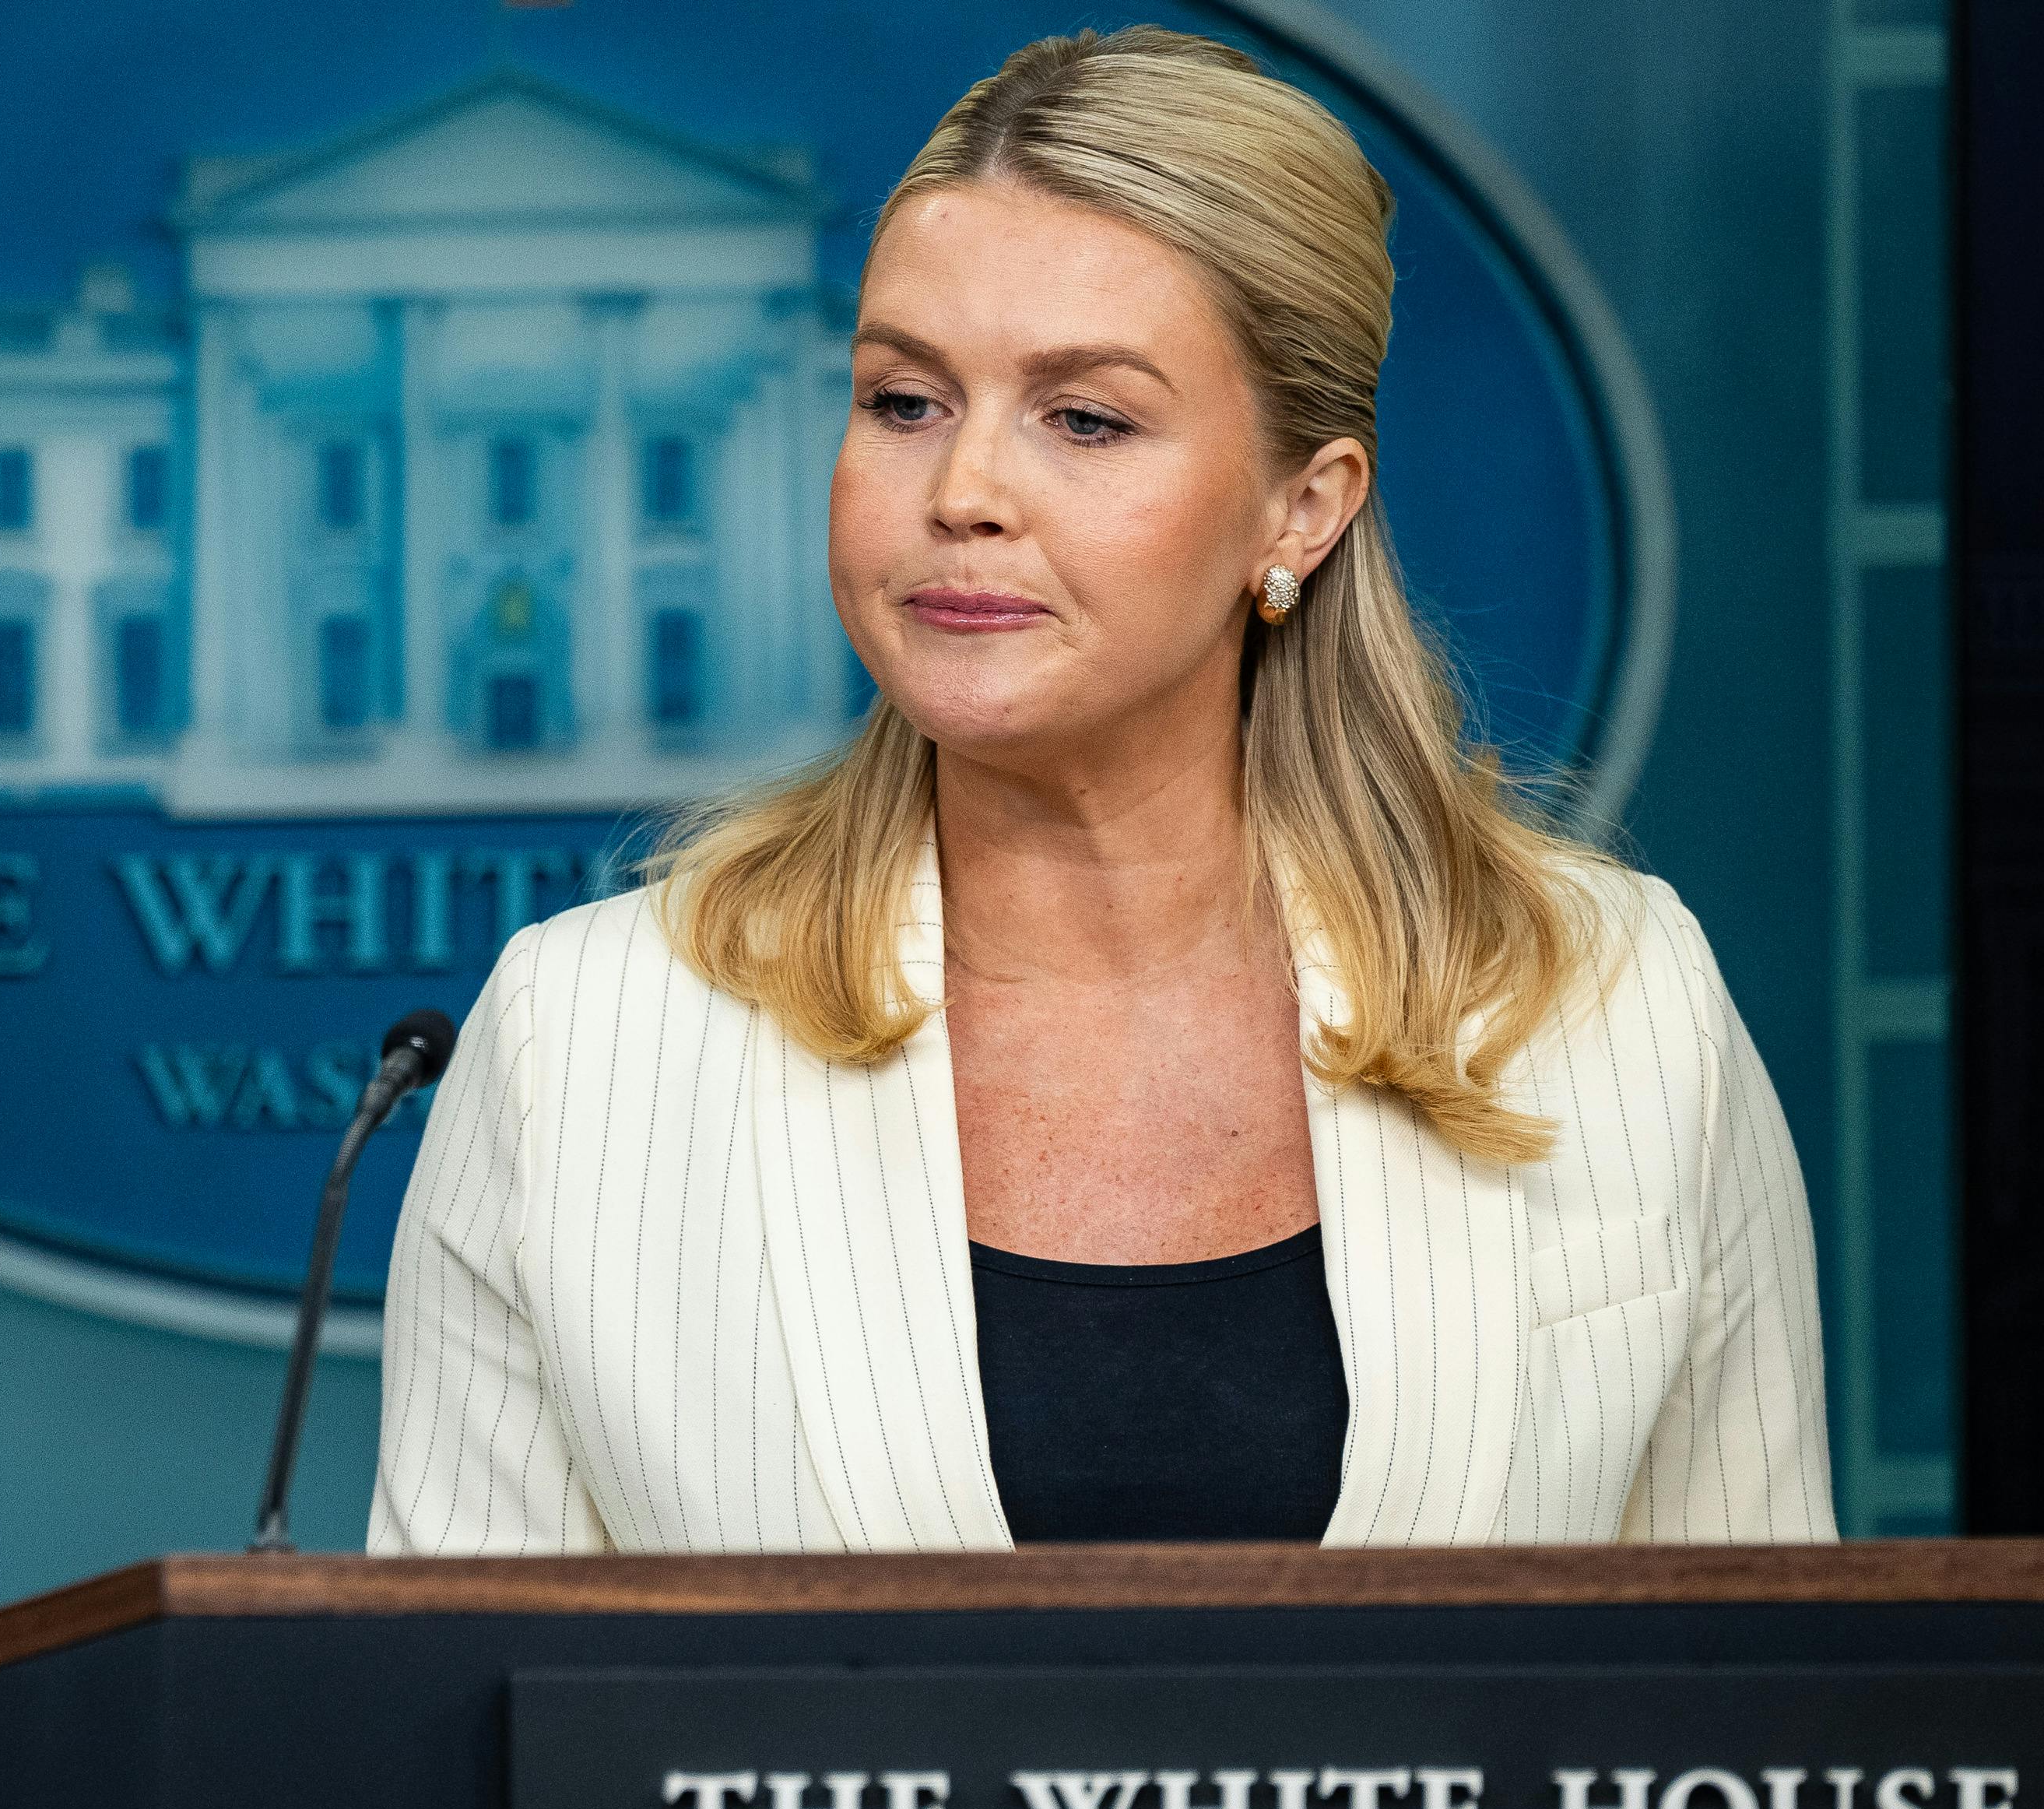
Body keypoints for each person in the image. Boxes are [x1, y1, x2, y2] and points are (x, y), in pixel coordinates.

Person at [368, 26, 1832, 1557]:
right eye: (902, 401)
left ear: (1300, 506)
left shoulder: (1612, 1002)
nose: (959, 494)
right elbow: (441, 1748)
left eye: (1084, 418)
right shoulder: (584, 1041)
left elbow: (1774, 1730)